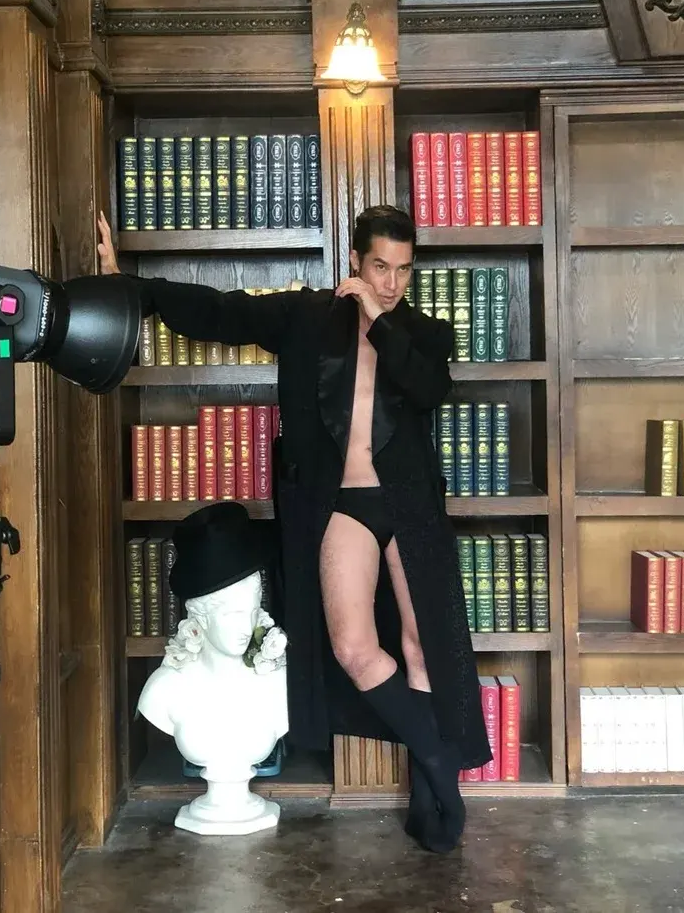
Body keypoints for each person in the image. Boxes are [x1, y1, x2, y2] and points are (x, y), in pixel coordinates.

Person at [97, 205, 491, 852]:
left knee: (423, 648)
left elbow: (428, 391)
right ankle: (437, 759)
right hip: (338, 504)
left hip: (410, 504)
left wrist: (377, 318)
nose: (391, 282)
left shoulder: (424, 332)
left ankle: (430, 802)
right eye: (379, 267)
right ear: (354, 261)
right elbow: (221, 313)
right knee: (353, 647)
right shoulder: (307, 317)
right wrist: (126, 286)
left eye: (403, 270)